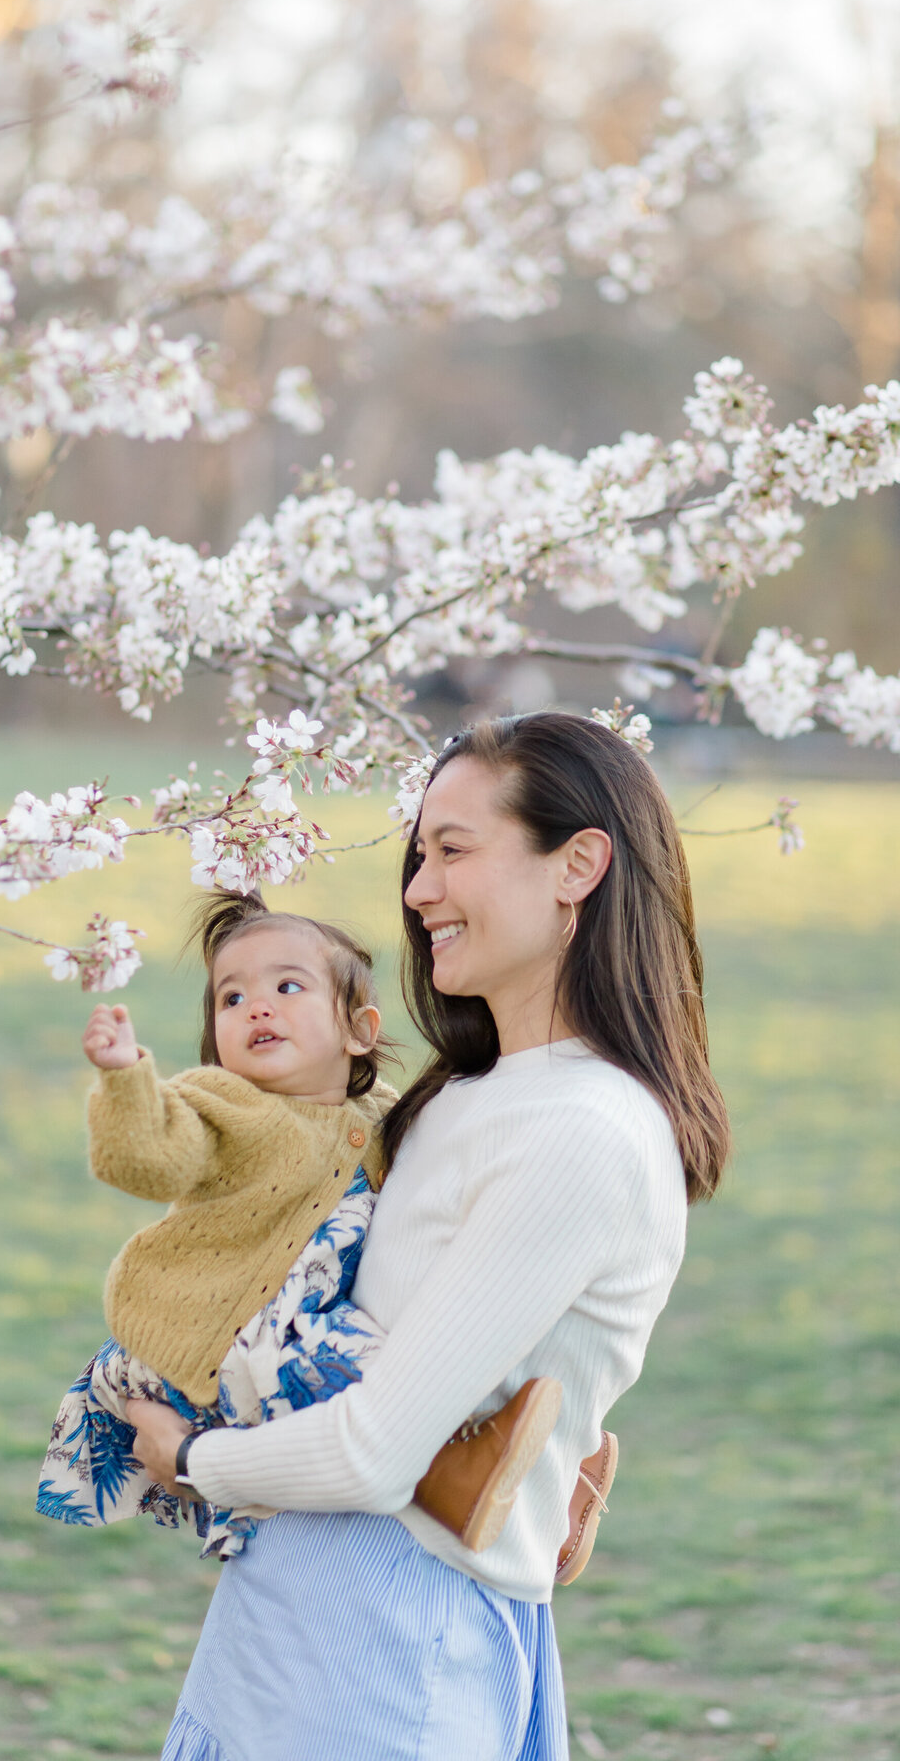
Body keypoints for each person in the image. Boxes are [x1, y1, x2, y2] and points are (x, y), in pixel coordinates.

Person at [126, 711, 732, 1761]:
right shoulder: (466, 1095)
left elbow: (375, 1452)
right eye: (419, 857)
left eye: (454, 850)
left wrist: (196, 1459)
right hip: (297, 1605)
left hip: (395, 1633)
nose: (417, 890)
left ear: (578, 865)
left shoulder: (584, 1131)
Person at [36, 891, 562, 1562]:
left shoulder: (382, 1112)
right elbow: (149, 1161)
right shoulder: (226, 1106)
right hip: (210, 1333)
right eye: (231, 999)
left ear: (359, 1031)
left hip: (285, 1325)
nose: (257, 1006)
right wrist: (125, 1082)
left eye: (288, 987)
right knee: (368, 1375)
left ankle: (540, 1490)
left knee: (406, 1358)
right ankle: (458, 1473)